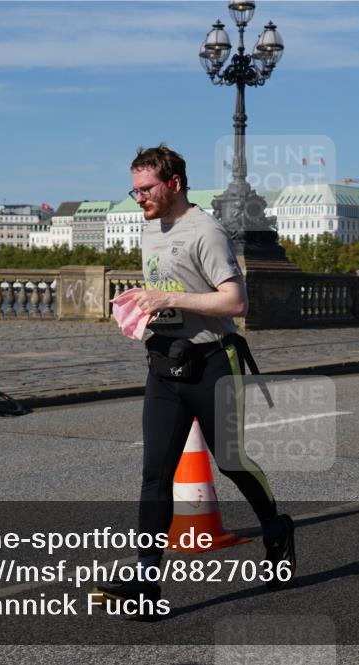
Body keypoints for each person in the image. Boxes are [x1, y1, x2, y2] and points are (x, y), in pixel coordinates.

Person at [93, 145, 294, 613]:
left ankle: (276, 527)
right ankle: (146, 581)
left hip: (213, 363)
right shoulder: (150, 229)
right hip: (164, 364)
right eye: (134, 189)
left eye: (146, 189)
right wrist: (142, 308)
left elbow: (235, 303)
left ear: (174, 184)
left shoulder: (206, 231)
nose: (138, 198)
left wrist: (168, 299)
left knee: (231, 460)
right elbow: (166, 290)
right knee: (155, 474)